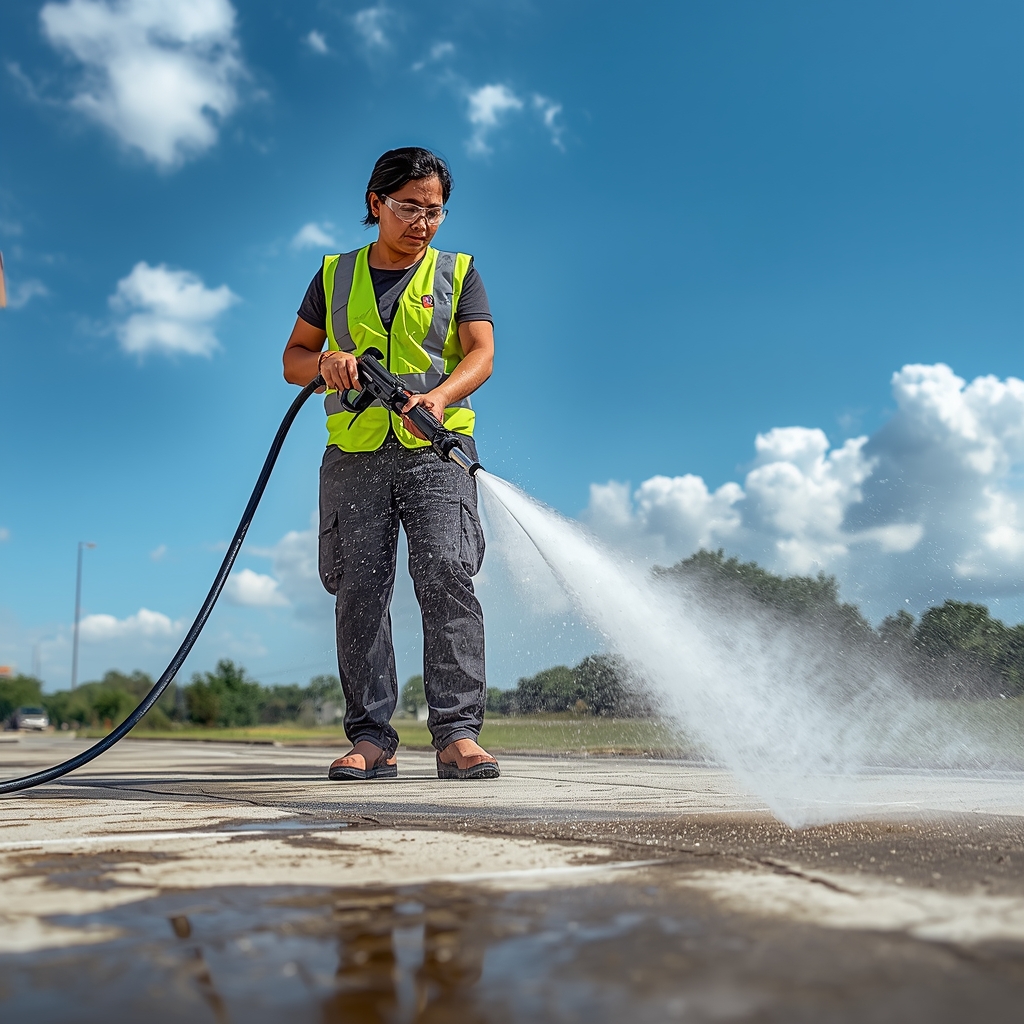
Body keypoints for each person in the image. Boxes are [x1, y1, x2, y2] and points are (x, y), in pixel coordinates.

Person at [282, 147, 499, 782]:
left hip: (438, 451)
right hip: (355, 454)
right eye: (410, 207)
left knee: (447, 578)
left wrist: (437, 397)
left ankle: (457, 735)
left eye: (436, 211)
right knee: (359, 592)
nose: (423, 223)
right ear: (376, 204)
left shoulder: (458, 272)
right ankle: (373, 738)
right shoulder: (333, 275)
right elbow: (293, 358)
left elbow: (481, 354)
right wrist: (325, 365)